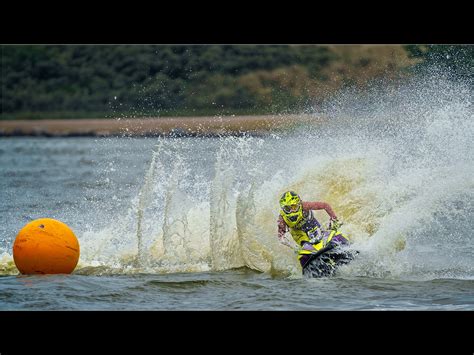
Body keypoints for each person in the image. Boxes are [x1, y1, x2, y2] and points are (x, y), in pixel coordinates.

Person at [277, 190, 350, 271]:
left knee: (324, 236)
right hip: (299, 234)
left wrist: (334, 218)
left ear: (299, 204)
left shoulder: (305, 206)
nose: (291, 211)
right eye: (287, 208)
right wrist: (292, 246)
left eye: (294, 207)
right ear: (283, 208)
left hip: (313, 225)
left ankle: (342, 245)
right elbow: (281, 236)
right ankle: (308, 261)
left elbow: (325, 205)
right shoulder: (282, 218)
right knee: (306, 246)